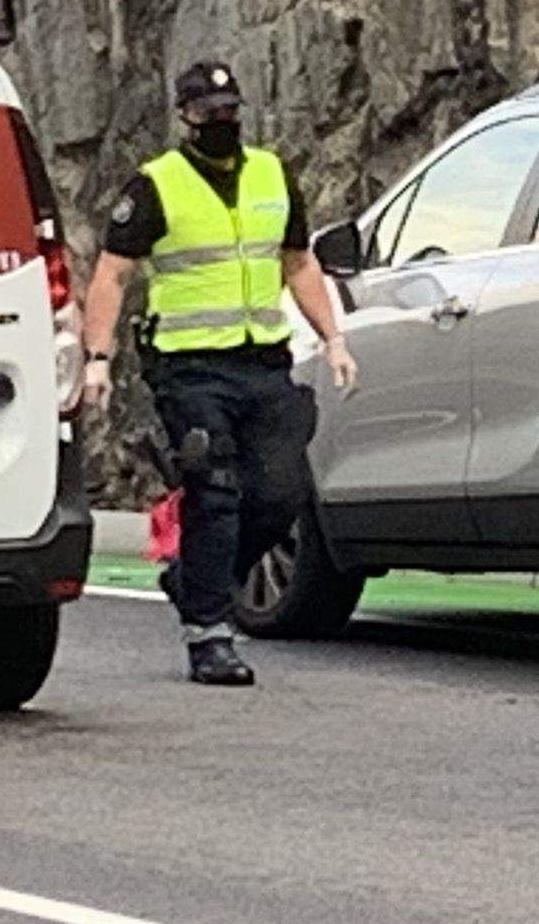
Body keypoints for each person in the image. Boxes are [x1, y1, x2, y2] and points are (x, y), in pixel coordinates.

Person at [81, 60, 359, 688]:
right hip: (190, 367)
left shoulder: (272, 174)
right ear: (185, 116)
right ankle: (209, 635)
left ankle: (193, 580)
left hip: (263, 360)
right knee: (215, 490)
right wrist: (98, 359)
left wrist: (333, 337)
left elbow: (299, 263)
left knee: (281, 493)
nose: (222, 121)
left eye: (230, 110)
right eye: (209, 113)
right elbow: (112, 274)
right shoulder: (155, 185)